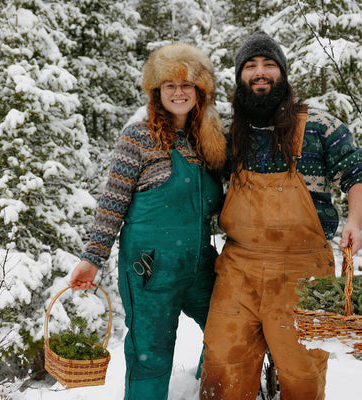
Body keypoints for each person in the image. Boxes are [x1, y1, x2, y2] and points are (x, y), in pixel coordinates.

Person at [199, 31, 362, 400]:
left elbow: (359, 177)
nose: (260, 73)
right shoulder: (229, 133)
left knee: (303, 378)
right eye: (250, 66)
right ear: (240, 77)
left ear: (283, 73)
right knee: (222, 373)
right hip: (238, 271)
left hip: (304, 274)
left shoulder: (319, 126)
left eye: (268, 65)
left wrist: (355, 223)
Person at [69, 43, 226, 400]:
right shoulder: (138, 137)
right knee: (151, 355)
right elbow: (113, 202)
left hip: (200, 263)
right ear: (157, 92)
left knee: (229, 332)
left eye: (187, 84)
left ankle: (198, 391)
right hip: (149, 267)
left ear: (200, 90)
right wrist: (93, 258)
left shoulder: (211, 142)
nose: (178, 92)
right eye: (169, 85)